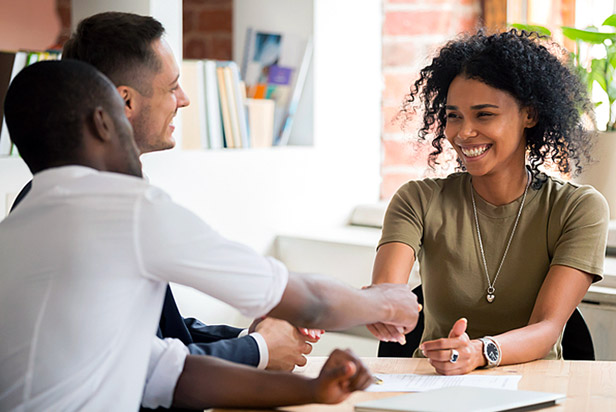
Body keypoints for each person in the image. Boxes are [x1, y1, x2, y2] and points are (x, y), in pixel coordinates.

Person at [0, 60, 419, 410]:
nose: (182, 99)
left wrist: (311, 389)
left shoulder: (14, 231)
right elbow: (310, 302)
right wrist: (384, 302)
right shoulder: (125, 206)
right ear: (102, 123)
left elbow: (167, 373)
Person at [10, 10, 322, 381]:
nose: (185, 99)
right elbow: (147, 370)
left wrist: (249, 337)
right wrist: (260, 349)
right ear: (124, 102)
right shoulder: (103, 211)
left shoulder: (54, 195)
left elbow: (162, 331)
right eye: (173, 86)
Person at [367, 29, 609, 375]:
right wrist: (381, 307)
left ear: (530, 115)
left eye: (484, 115)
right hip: (435, 387)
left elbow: (547, 328)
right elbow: (387, 291)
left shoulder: (577, 208)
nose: (463, 133)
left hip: (539, 386)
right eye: (453, 115)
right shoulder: (417, 201)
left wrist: (481, 351)